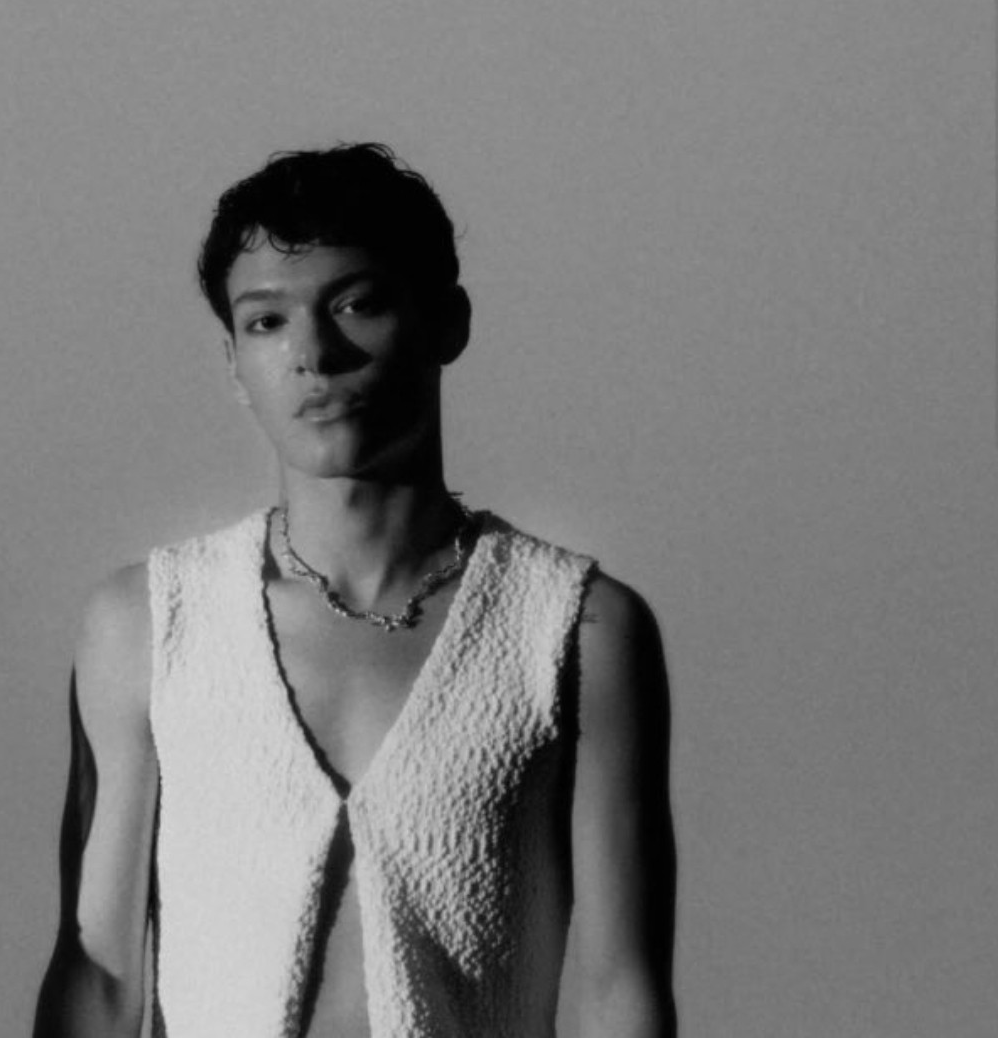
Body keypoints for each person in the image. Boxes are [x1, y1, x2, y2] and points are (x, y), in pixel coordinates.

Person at [34, 144, 676, 1038]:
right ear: (233, 362)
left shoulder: (575, 628)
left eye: (357, 304)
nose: (314, 355)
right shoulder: (147, 623)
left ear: (446, 322)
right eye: (267, 322)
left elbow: (619, 992)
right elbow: (97, 979)